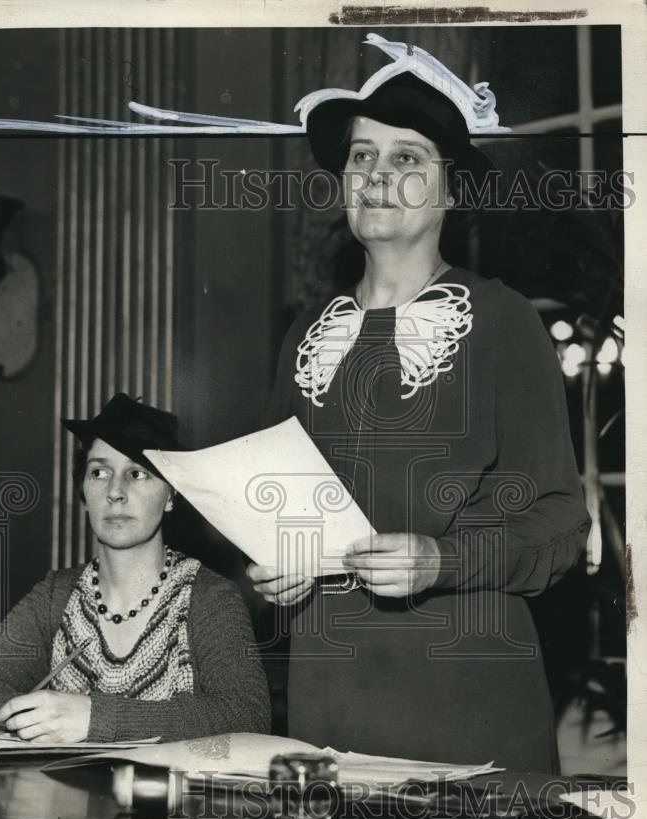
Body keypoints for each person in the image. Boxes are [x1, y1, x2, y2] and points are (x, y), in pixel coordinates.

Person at [247, 43, 591, 772]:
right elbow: (275, 504)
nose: (375, 177)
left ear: (451, 188)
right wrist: (273, 560)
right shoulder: (306, 336)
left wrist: (442, 559)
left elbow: (561, 522)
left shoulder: (501, 321)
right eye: (361, 156)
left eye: (406, 159)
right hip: (327, 698)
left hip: (467, 701)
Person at [0, 393, 271, 743]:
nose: (115, 492)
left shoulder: (209, 596)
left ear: (170, 496)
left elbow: (248, 716)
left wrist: (94, 718)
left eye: (137, 474)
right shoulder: (56, 595)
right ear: (83, 490)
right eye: (99, 472)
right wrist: (38, 719)